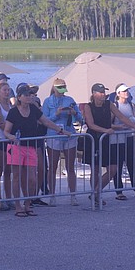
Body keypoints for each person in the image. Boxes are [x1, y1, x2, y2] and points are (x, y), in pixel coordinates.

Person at [4, 84, 65, 216]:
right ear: (19, 97)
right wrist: (12, 137)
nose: (29, 97)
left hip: (31, 146)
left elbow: (46, 121)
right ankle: (18, 205)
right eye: (26, 95)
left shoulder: (34, 109)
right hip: (16, 147)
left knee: (32, 178)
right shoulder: (13, 112)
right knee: (17, 177)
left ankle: (28, 203)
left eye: (30, 94)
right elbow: (6, 131)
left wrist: (60, 130)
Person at [81, 83, 135, 206]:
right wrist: (105, 130)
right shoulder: (88, 106)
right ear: (94, 94)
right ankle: (95, 195)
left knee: (112, 168)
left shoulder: (109, 104)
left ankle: (96, 192)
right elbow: (90, 124)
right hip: (94, 138)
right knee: (95, 168)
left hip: (107, 139)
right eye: (101, 92)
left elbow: (121, 117)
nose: (103, 94)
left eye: (104, 92)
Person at [42, 78, 81, 206]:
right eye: (59, 87)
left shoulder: (69, 100)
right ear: (54, 88)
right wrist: (57, 114)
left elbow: (81, 118)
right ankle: (52, 195)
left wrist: (74, 113)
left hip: (69, 134)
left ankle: (73, 195)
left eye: (63, 87)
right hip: (54, 135)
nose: (62, 90)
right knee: (52, 167)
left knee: (70, 167)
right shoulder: (48, 101)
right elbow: (44, 120)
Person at [111, 84, 135, 200]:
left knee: (132, 163)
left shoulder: (132, 105)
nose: (126, 93)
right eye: (124, 91)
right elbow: (109, 124)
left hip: (129, 137)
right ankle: (119, 191)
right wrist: (119, 127)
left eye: (127, 90)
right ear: (118, 93)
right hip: (117, 139)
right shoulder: (115, 106)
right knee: (118, 165)